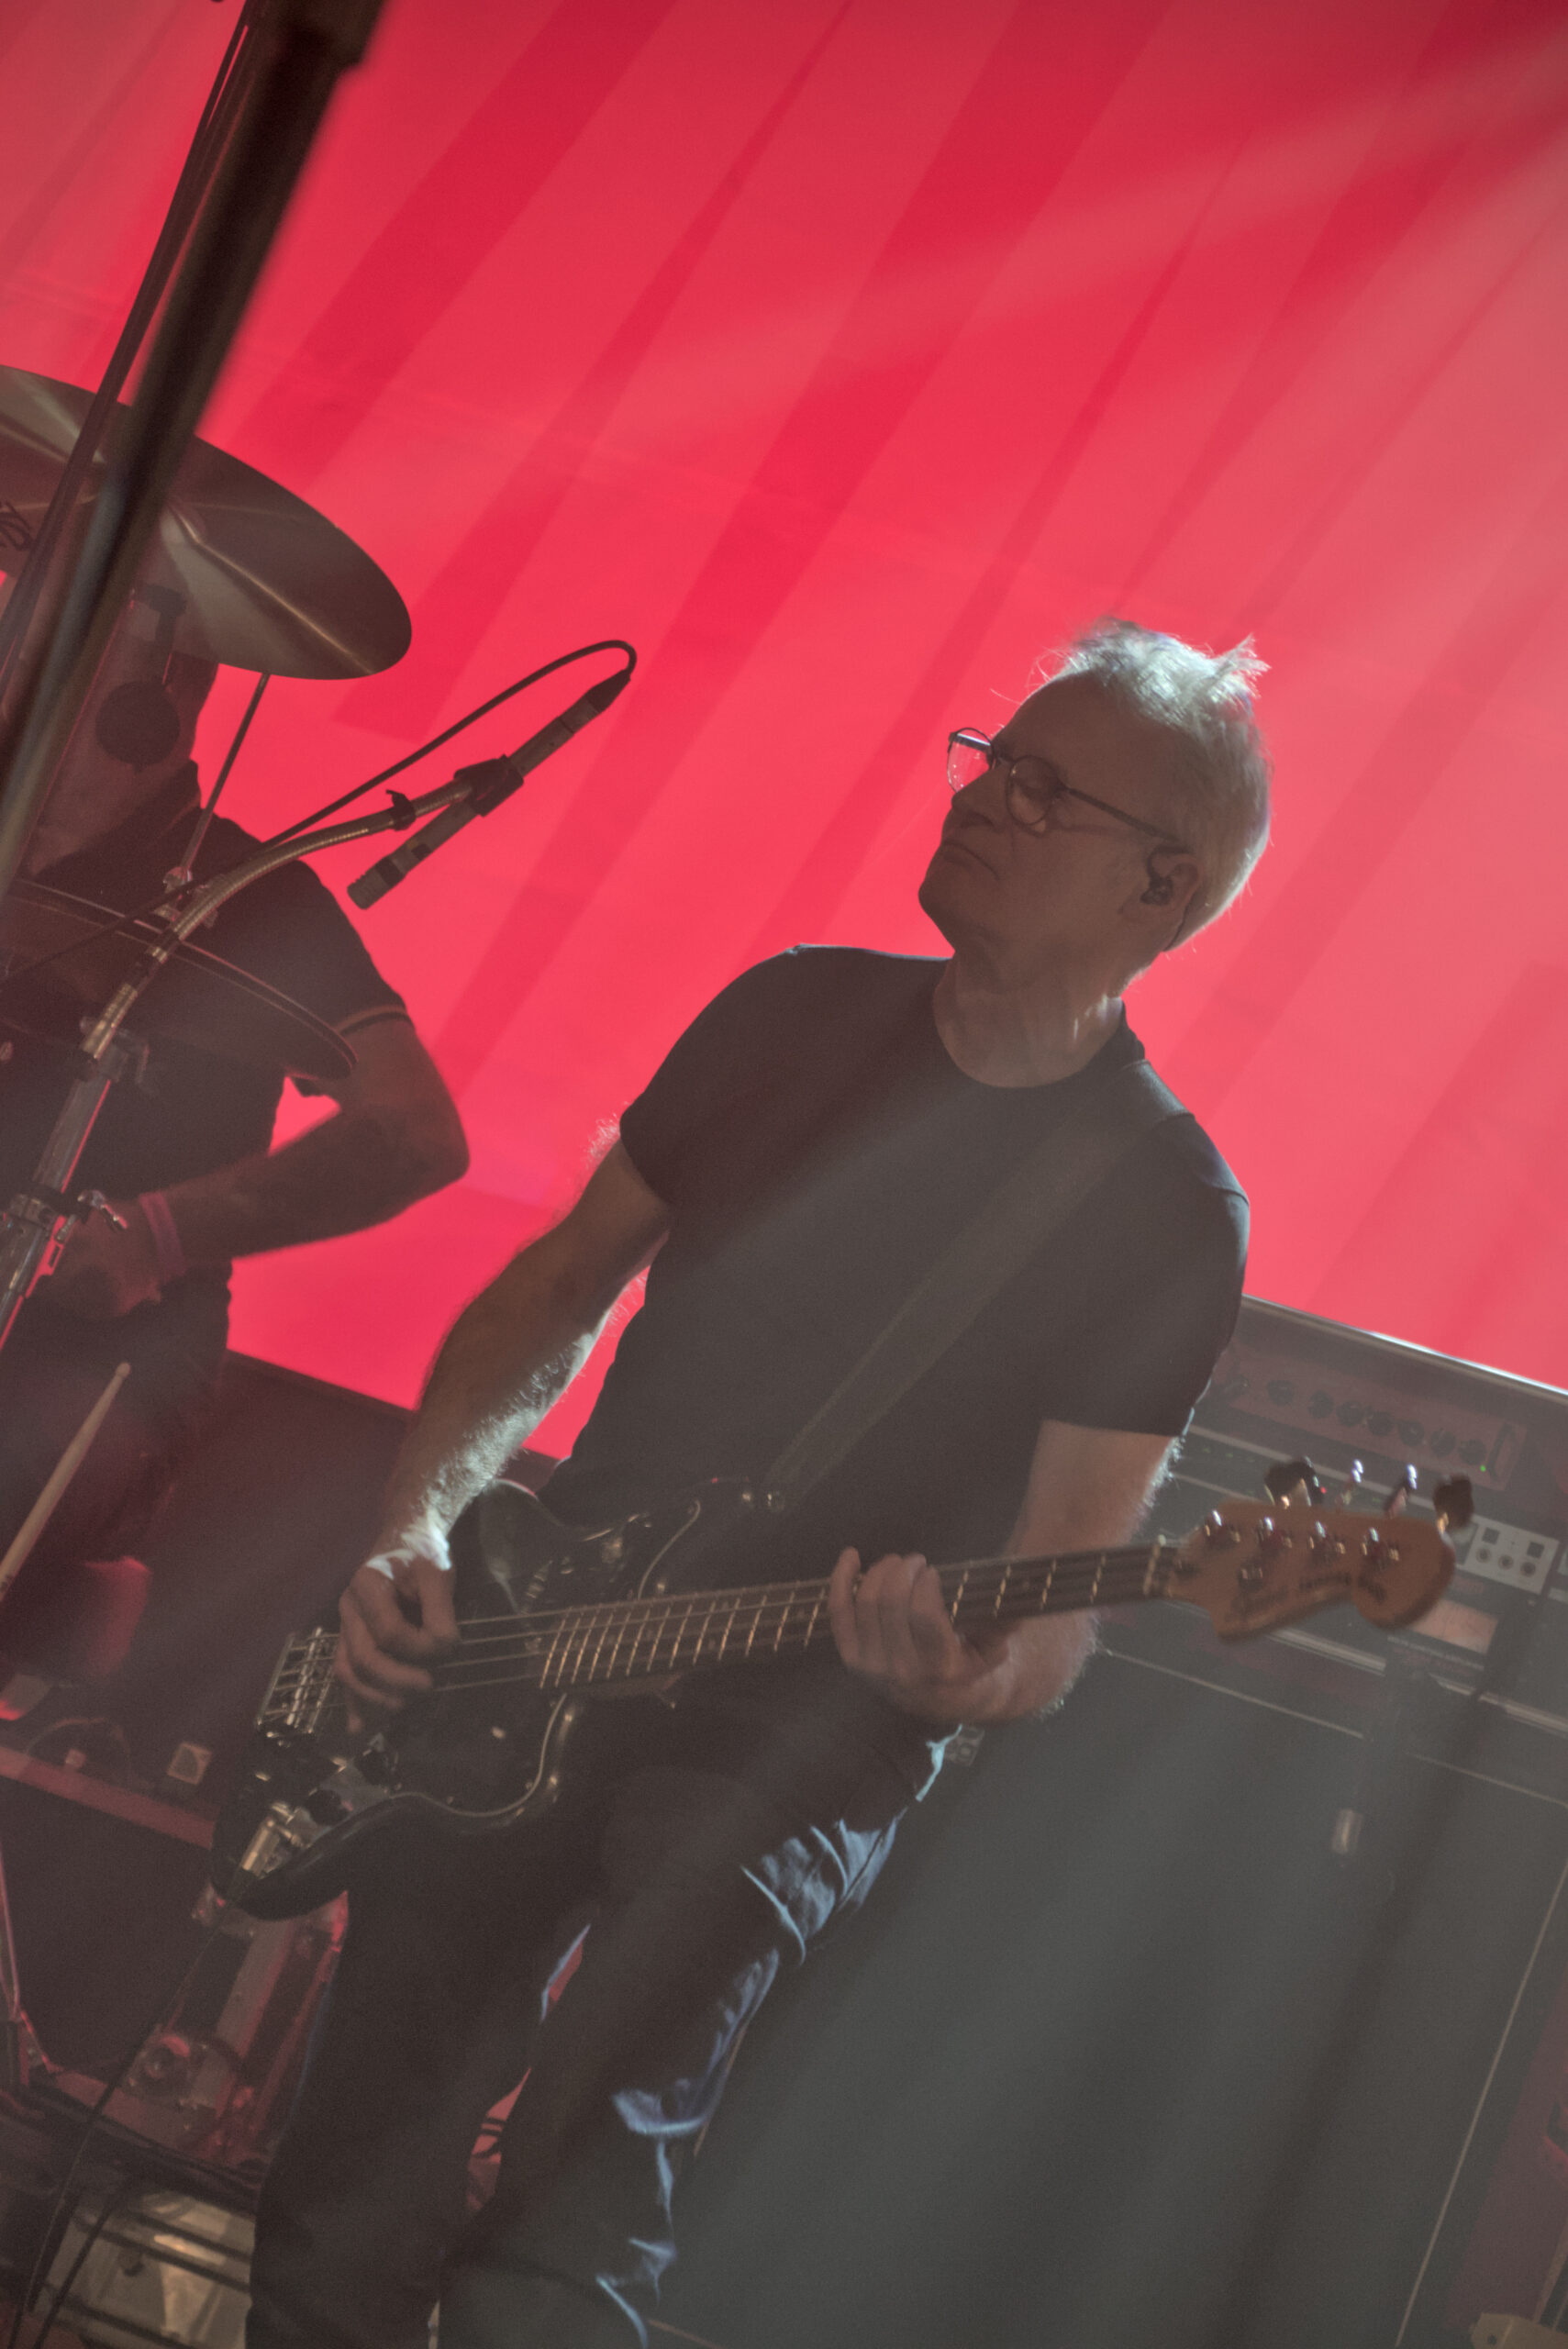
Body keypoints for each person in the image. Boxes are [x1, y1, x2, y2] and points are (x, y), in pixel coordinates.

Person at [246, 618, 1272, 2349]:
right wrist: (415, 1530)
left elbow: (1057, 1607)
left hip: (794, 1720)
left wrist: (963, 1678)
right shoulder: (791, 1013)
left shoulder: (1162, 1209)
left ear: (1159, 885)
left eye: (1043, 791)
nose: (981, 801)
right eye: (989, 762)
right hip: (538, 1638)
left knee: (575, 2183)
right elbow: (550, 1296)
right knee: (350, 2174)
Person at [0, 600, 469, 1666]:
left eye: (45, 651)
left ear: (149, 707)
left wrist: (156, 1235)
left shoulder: (249, 898)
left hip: (88, 1369)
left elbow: (414, 1131)